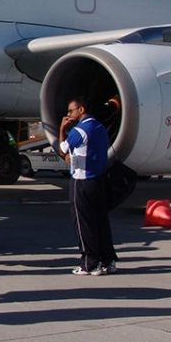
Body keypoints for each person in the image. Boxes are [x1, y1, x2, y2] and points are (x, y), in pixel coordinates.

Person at [58, 97, 116, 276]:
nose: (68, 114)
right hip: (99, 180)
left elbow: (62, 149)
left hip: (81, 181)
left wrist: (62, 129)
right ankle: (108, 261)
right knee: (100, 222)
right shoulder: (100, 128)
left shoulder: (79, 130)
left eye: (71, 111)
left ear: (81, 110)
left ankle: (90, 263)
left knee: (83, 224)